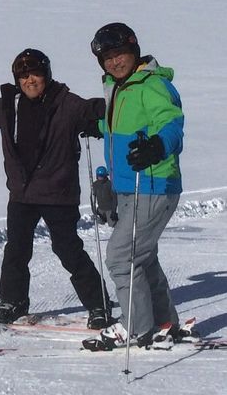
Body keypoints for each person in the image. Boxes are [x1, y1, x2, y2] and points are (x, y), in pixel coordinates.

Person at [0, 44, 112, 327]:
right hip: (22, 194)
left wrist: (112, 102)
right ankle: (13, 301)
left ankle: (99, 305)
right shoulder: (9, 105)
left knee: (68, 250)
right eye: (23, 75)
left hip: (58, 194)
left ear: (47, 75)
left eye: (35, 74)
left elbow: (98, 110)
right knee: (16, 250)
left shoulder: (66, 103)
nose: (30, 80)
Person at [82, 23, 196, 352]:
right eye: (107, 57)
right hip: (129, 186)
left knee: (121, 258)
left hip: (154, 183)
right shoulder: (119, 87)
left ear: (134, 51)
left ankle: (137, 328)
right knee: (142, 258)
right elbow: (127, 125)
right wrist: (100, 125)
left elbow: (171, 122)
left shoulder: (152, 84)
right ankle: (163, 323)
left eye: (120, 54)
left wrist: (158, 146)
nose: (114, 62)